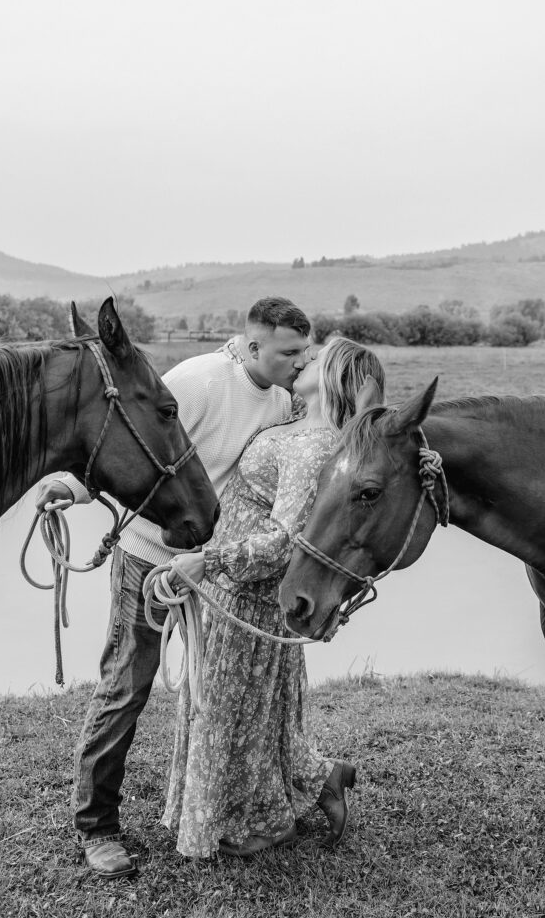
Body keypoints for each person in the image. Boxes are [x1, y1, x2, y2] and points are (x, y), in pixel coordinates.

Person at [35, 297, 313, 879]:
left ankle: (223, 806)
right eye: (289, 352)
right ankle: (96, 827)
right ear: (254, 345)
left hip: (213, 567)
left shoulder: (284, 402)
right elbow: (124, 437)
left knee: (213, 699)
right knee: (127, 687)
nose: (299, 362)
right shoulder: (199, 380)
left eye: (304, 353)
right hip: (150, 558)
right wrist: (75, 488)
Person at [161, 336, 386, 858]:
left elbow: (287, 541)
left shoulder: (312, 447)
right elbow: (248, 367)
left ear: (336, 378)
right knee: (248, 716)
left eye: (318, 355)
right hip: (234, 589)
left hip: (248, 593)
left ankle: (267, 817)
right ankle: (315, 779)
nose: (305, 359)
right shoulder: (294, 418)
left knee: (224, 716)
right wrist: (240, 349)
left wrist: (210, 561)